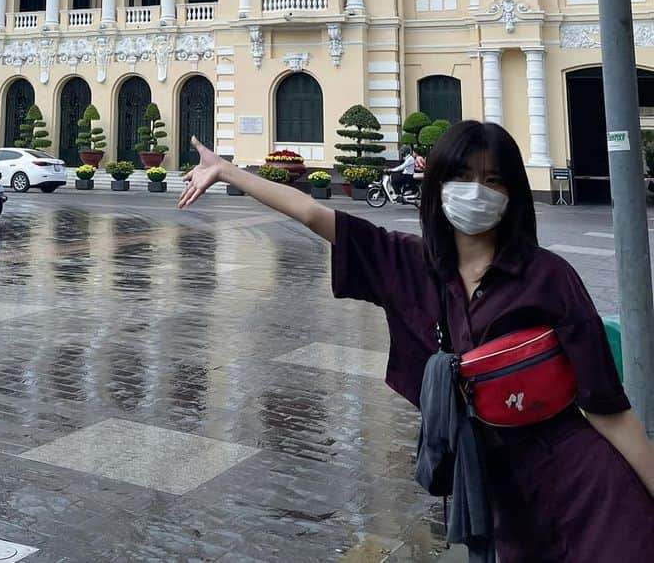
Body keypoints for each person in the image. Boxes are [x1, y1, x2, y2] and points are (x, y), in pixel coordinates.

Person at [179, 121, 654, 560]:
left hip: (585, 486)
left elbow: (607, 406)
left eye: (493, 180)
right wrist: (226, 172)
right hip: (496, 492)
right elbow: (310, 211)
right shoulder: (410, 265)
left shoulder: (549, 277)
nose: (476, 191)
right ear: (438, 185)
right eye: (463, 176)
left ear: (513, 192)